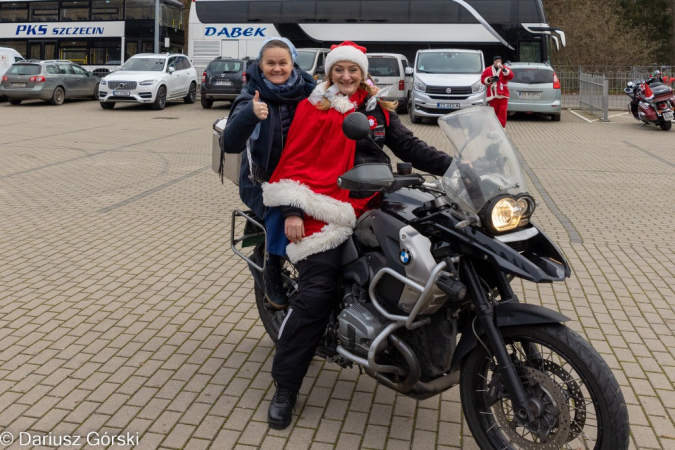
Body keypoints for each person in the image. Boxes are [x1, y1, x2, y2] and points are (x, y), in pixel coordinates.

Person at [261, 41, 453, 430]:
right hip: (324, 205)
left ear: (363, 74)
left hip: (374, 202)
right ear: (329, 73)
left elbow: (410, 145)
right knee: (316, 294)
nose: (346, 77)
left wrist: (459, 169)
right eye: (339, 70)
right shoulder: (314, 108)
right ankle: (285, 386)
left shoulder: (377, 111)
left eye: (353, 70)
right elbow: (294, 161)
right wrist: (295, 209)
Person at [221, 37, 316, 310]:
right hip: (263, 179)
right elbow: (230, 143)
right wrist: (250, 115)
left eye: (282, 62)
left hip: (304, 174)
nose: (277, 68)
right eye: (270, 63)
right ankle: (271, 268)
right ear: (260, 66)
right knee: (279, 204)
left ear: (292, 63)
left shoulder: (308, 92)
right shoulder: (251, 96)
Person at [481, 56, 514, 128]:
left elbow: (511, 76)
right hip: (493, 94)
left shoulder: (505, 68)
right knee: (493, 111)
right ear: (494, 62)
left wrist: (503, 69)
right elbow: (482, 79)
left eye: (499, 61)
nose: (498, 62)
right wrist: (488, 79)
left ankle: (501, 128)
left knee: (502, 111)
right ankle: (493, 128)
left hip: (503, 93)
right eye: (497, 61)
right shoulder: (488, 69)